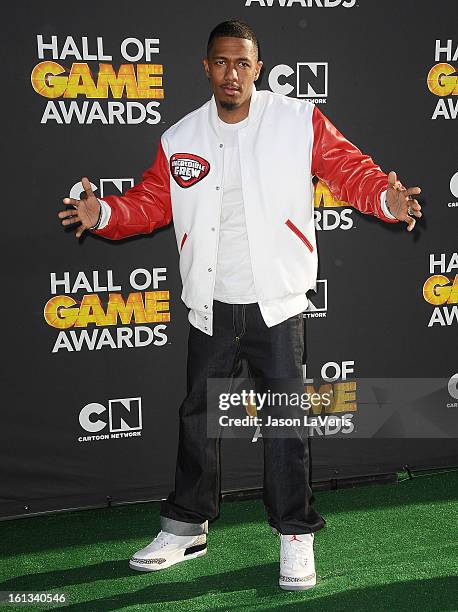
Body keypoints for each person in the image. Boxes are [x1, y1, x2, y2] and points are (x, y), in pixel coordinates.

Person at [57, 20, 422, 591]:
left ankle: (294, 535)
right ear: (206, 67)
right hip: (211, 301)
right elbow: (151, 202)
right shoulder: (180, 138)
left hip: (275, 302)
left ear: (258, 67)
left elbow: (348, 170)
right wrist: (102, 214)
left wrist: (386, 198)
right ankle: (185, 525)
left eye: (242, 63)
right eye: (221, 62)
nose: (232, 73)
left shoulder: (298, 120)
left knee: (284, 423)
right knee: (197, 418)